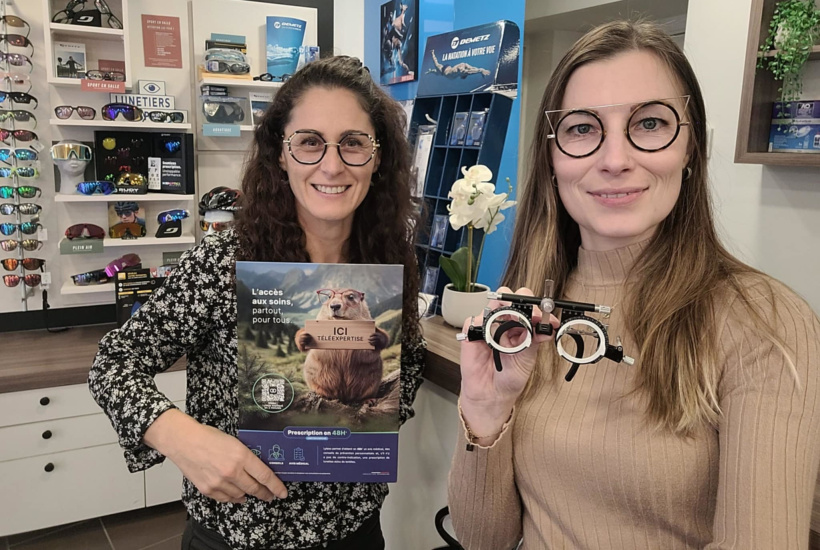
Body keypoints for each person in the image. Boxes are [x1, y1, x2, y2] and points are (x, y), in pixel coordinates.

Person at [448, 20, 820, 550]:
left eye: (648, 123)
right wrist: (485, 411)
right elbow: (485, 539)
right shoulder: (533, 310)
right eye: (582, 128)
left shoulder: (766, 322)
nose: (616, 159)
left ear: (690, 147)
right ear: (551, 158)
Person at [89, 55, 425, 550]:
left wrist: (375, 403)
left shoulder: (388, 261)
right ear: (282, 155)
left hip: (353, 532)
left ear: (377, 159)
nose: (332, 165)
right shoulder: (222, 262)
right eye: (309, 142)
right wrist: (185, 439)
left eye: (353, 143)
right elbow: (114, 364)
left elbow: (407, 371)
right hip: (236, 534)